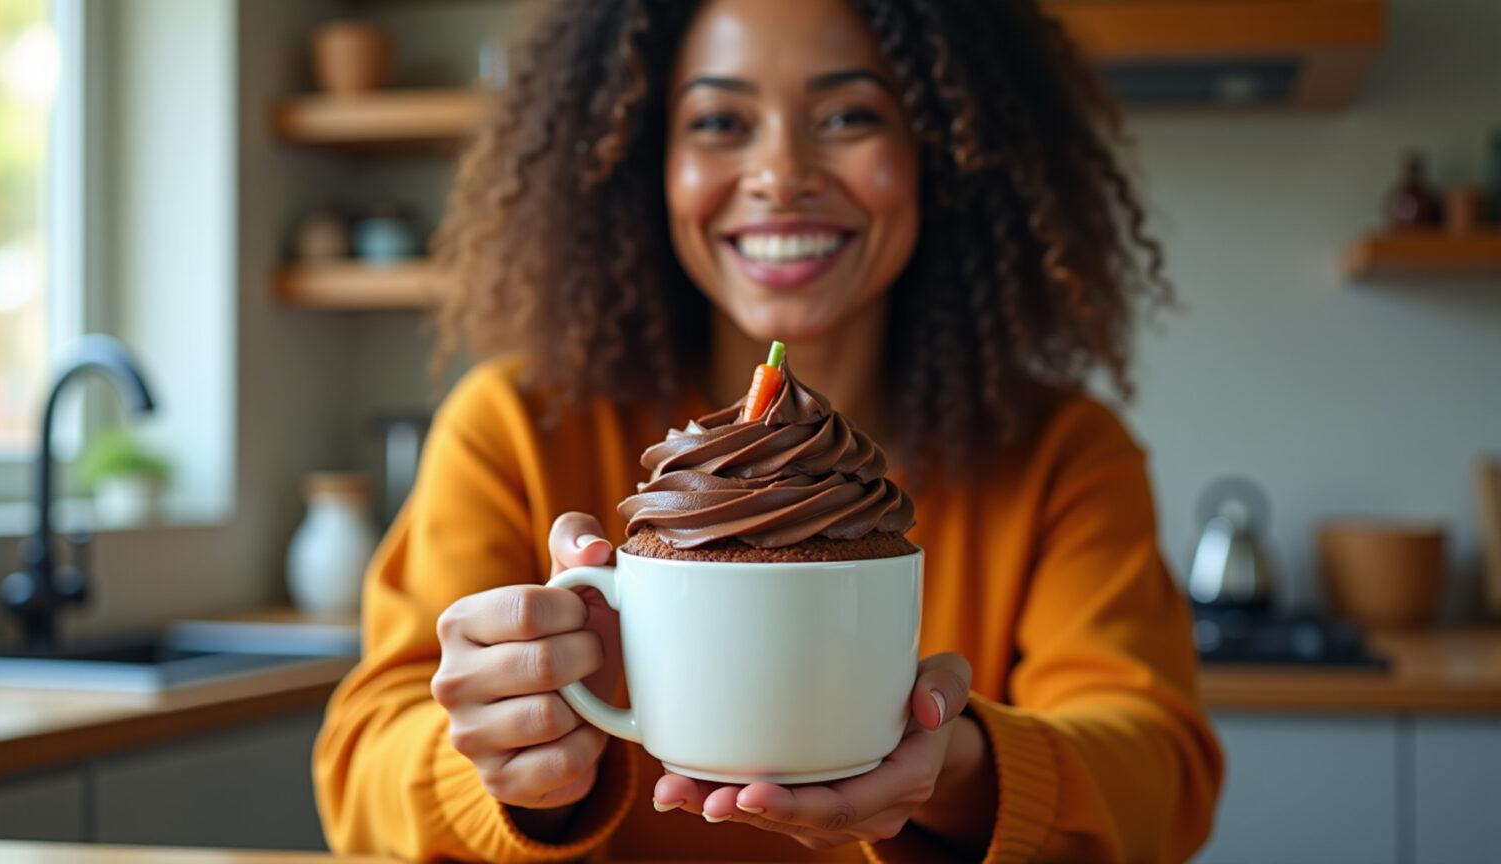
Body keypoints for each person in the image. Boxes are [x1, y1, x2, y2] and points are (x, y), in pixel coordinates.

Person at [312, 0, 1224, 861]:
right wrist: (504, 771)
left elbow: (1160, 773)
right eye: (719, 122)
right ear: (646, 161)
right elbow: (361, 765)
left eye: (848, 117)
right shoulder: (514, 426)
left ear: (942, 150)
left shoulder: (1063, 454)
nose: (782, 174)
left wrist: (966, 767)